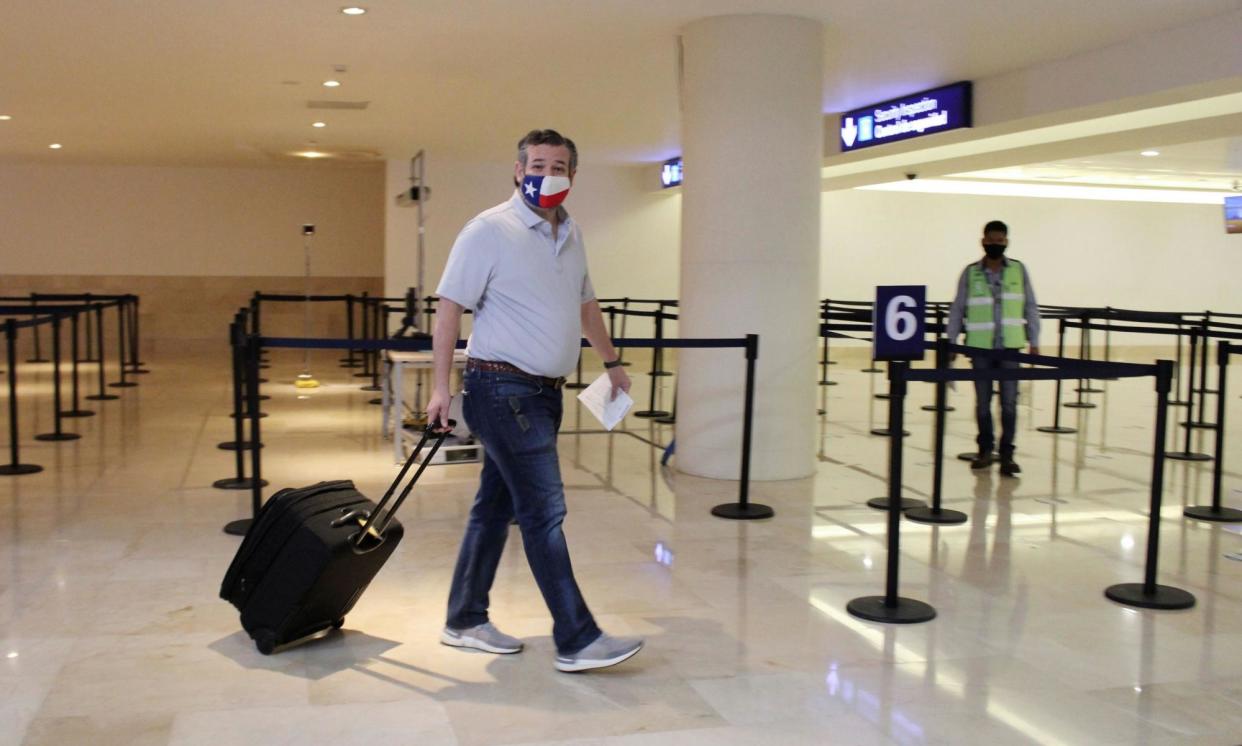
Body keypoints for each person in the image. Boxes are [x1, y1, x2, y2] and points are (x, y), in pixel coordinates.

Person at [425, 129, 643, 673]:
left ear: (573, 175)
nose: (549, 172)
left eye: (561, 164)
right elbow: (449, 309)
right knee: (544, 513)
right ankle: (576, 637)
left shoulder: (571, 234)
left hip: (544, 394)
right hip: (501, 389)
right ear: (519, 171)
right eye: (539, 163)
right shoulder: (488, 231)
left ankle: (464, 619)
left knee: (493, 510)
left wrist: (612, 363)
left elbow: (586, 303)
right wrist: (438, 387)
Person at [946, 220, 1040, 477]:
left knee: (1009, 403)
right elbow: (958, 308)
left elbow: (1030, 306)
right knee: (983, 403)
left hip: (1010, 347)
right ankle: (985, 450)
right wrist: (951, 341)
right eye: (991, 241)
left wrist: (1034, 339)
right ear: (983, 241)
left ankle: (1007, 453)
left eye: (1000, 241)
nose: (995, 245)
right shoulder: (971, 272)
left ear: (1006, 242)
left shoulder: (1018, 271)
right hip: (980, 349)